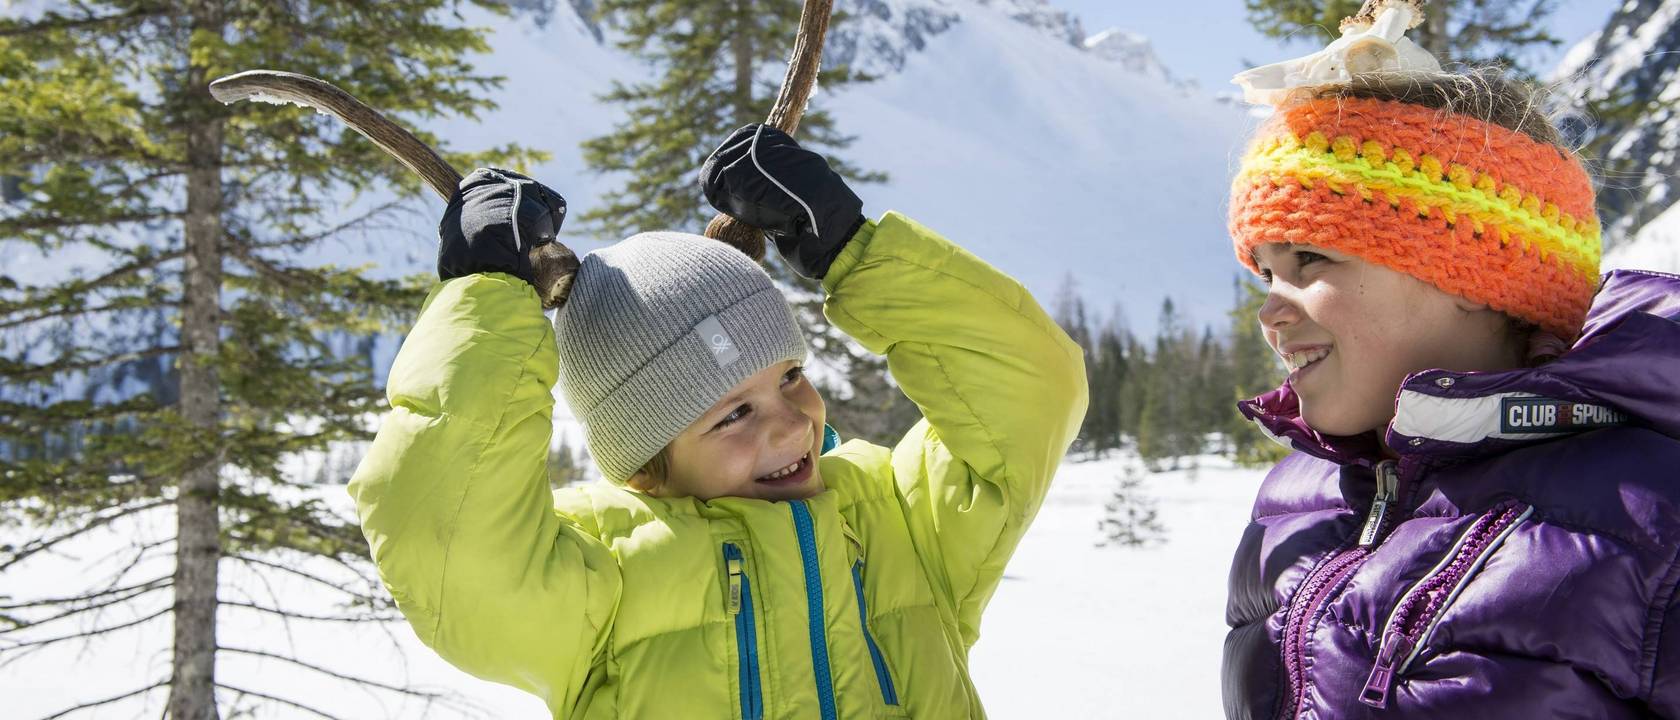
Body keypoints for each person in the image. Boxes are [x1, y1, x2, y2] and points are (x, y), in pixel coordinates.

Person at [348, 124, 1087, 719]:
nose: (790, 424)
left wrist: (852, 249)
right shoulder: (598, 580)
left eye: (790, 377)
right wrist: (487, 297)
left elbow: (1031, 387)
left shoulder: (902, 524)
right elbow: (444, 536)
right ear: (645, 460)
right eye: (733, 413)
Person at [1220, 2, 1680, 717]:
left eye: (1311, 257)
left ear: (1474, 279)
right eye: (1267, 273)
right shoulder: (1295, 503)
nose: (1272, 310)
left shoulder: (1653, 526)